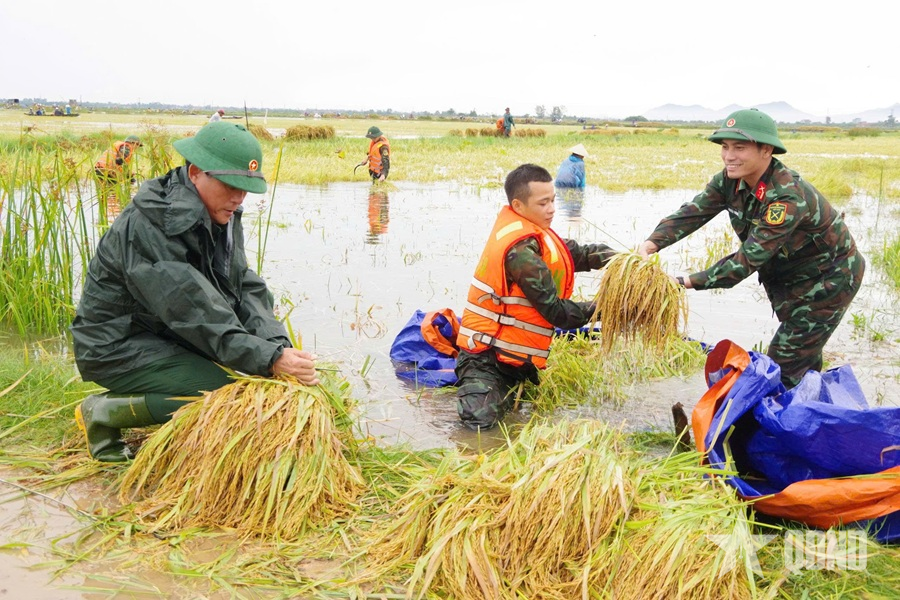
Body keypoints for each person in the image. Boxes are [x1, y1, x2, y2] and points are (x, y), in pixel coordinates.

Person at [71, 121, 320, 462]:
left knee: (247, 373)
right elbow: (191, 309)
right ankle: (100, 412)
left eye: (246, 188)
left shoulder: (222, 212)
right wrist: (269, 360)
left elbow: (243, 288)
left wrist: (276, 346)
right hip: (115, 342)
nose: (238, 197)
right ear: (196, 172)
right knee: (220, 391)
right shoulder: (152, 224)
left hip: (163, 333)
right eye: (231, 185)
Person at [636, 108, 865, 389]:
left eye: (739, 147)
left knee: (784, 363)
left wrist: (681, 282)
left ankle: (776, 427)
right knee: (803, 357)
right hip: (788, 278)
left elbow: (745, 262)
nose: (729, 156)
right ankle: (808, 414)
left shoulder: (786, 197)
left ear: (766, 150)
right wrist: (651, 243)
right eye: (725, 147)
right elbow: (694, 212)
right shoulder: (729, 180)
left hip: (831, 279)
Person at [455, 164, 616, 429]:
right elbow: (557, 312)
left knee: (515, 421)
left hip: (516, 362)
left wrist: (625, 261)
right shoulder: (520, 251)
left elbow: (581, 254)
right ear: (518, 205)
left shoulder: (540, 236)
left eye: (553, 200)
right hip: (486, 362)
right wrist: (607, 307)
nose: (552, 209)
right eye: (543, 203)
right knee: (478, 430)